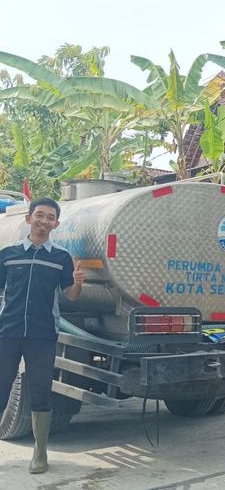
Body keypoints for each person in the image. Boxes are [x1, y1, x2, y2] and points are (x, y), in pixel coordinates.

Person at [0, 198, 84, 474]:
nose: (44, 221)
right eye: (40, 215)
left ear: (56, 224)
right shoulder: (8, 254)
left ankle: (40, 453)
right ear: (29, 218)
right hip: (8, 332)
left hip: (43, 335)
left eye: (50, 217)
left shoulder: (61, 258)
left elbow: (70, 296)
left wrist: (78, 284)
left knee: (39, 393)